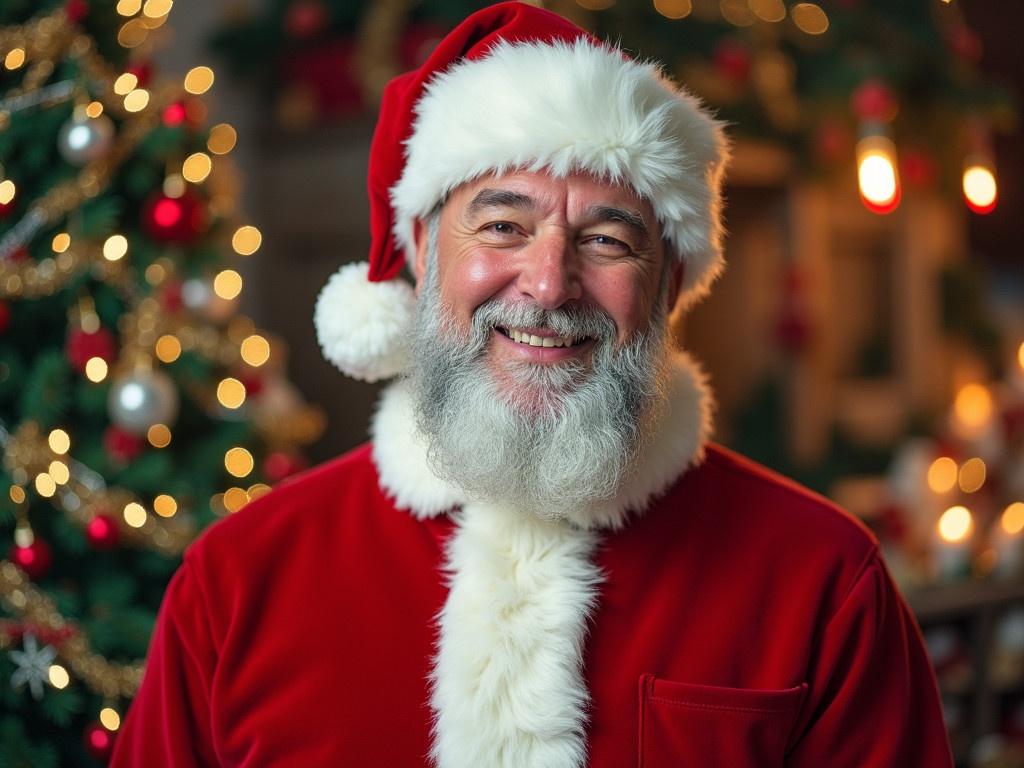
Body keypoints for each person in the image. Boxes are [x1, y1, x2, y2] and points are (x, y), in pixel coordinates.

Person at [112, 3, 954, 767]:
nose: (549, 285)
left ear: (667, 287)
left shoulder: (824, 583)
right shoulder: (237, 581)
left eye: (608, 240)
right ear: (422, 250)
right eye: (504, 225)